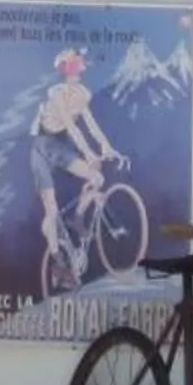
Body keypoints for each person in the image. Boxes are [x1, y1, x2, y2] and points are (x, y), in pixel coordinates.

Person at [30, 50, 124, 276]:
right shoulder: (57, 94)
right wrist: (89, 153)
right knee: (51, 210)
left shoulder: (82, 94)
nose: (78, 70)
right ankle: (58, 261)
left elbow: (90, 125)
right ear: (65, 70)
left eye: (78, 66)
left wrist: (106, 146)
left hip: (60, 147)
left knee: (97, 178)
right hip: (42, 149)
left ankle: (78, 217)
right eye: (73, 67)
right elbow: (72, 127)